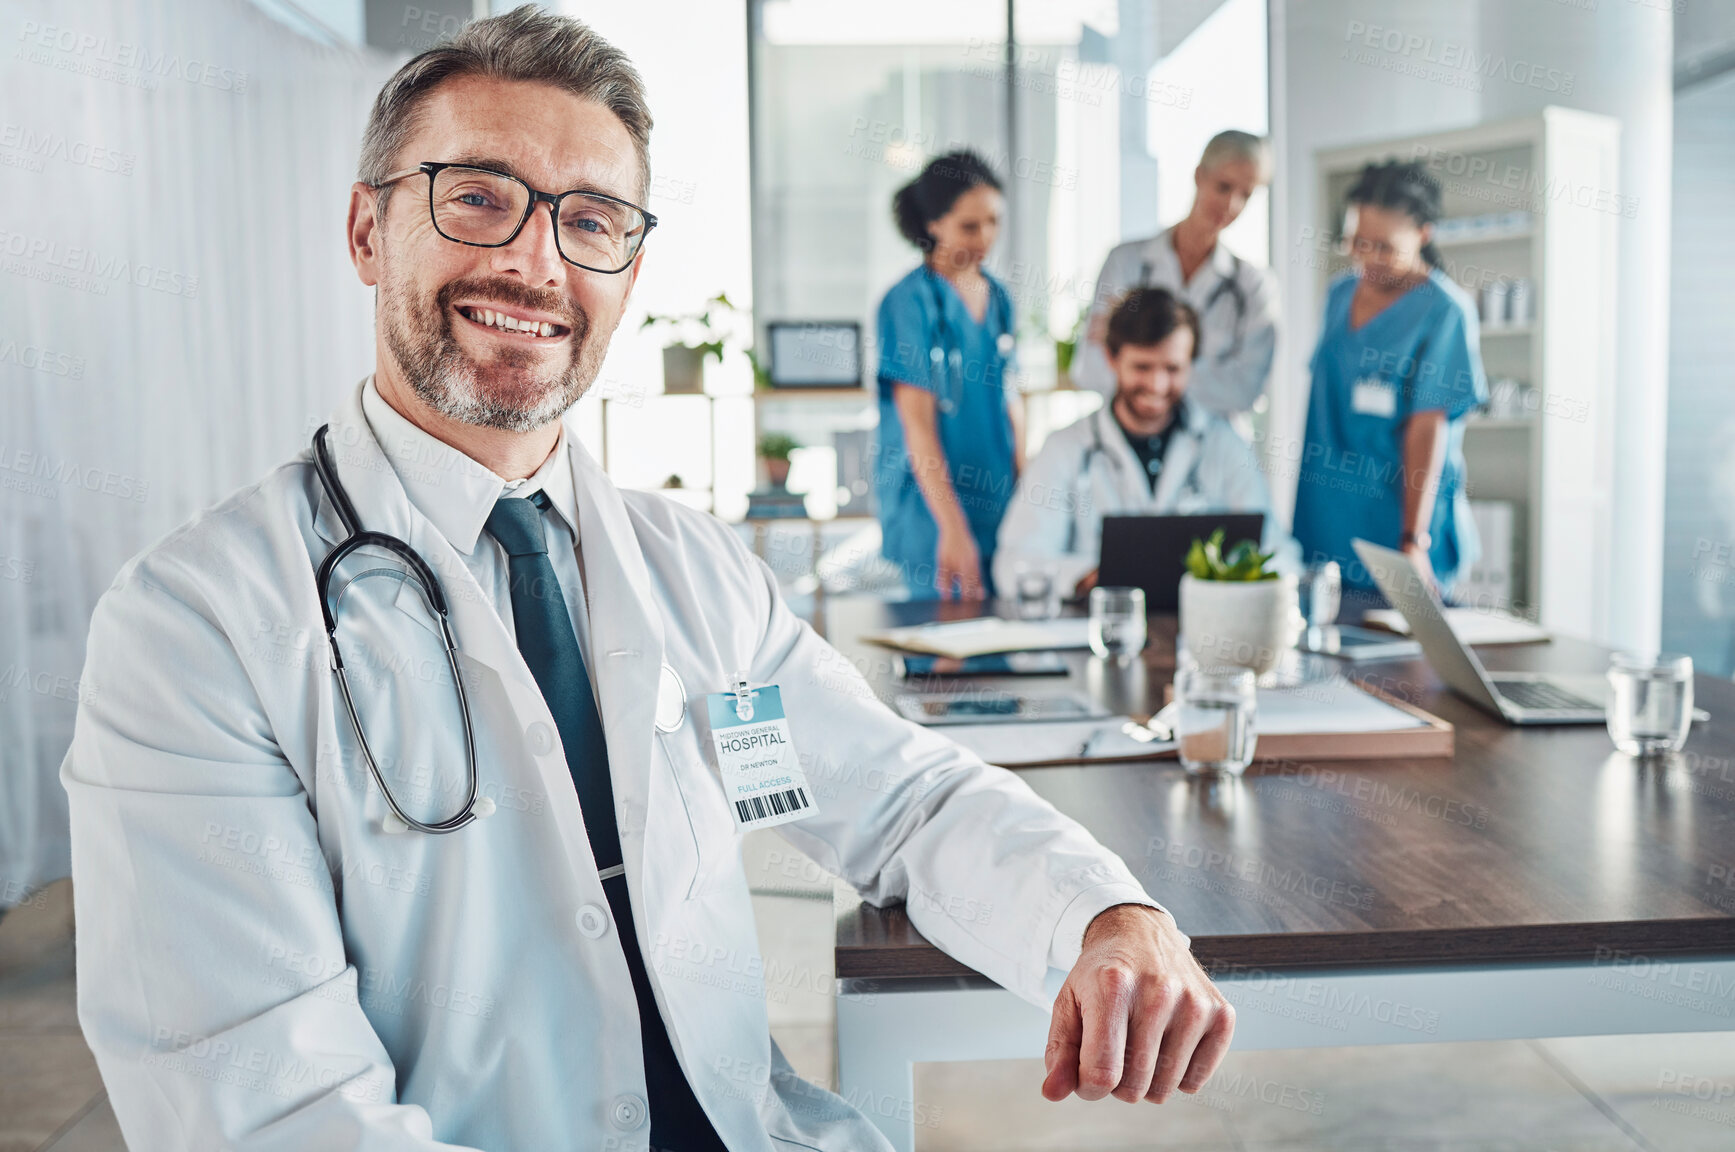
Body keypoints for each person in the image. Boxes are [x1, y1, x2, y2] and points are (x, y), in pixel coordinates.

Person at [59, 10, 1233, 1152]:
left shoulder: (692, 574)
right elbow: (264, 1099)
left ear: (629, 266)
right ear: (367, 230)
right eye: (477, 197)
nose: (535, 262)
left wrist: (1100, 912)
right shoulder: (196, 630)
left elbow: (896, 800)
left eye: (593, 219)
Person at [995, 288, 1274, 598]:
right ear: (1111, 358)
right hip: (1099, 632)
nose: (1157, 385)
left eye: (1172, 369)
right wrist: (1091, 576)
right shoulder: (1065, 448)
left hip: (1204, 633)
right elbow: (1014, 565)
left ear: (1191, 364)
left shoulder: (1224, 445)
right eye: (1143, 367)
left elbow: (1274, 548)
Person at [1292, 160, 1487, 595]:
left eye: (1384, 247)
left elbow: (1427, 429)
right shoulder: (1339, 294)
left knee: (1405, 658)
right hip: (1327, 515)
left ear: (1423, 235)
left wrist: (1412, 541)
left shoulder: (1444, 312)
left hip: (1398, 523)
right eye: (1357, 241)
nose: (1367, 258)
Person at [874, 150, 1022, 601]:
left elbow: (1012, 404)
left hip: (996, 499)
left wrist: (1027, 496)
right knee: (942, 649)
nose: (986, 238)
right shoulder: (907, 304)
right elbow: (916, 424)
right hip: (930, 511)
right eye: (970, 227)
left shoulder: (999, 299)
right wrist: (952, 530)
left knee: (1002, 650)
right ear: (934, 223)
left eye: (994, 222)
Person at [1076, 130, 1279, 423]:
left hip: (1211, 450)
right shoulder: (1126, 263)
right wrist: (1206, 377)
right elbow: (1090, 368)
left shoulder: (1254, 287)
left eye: (1245, 195)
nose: (1232, 205)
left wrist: (1142, 367)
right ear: (1199, 176)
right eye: (1223, 187)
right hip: (1131, 441)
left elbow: (1245, 391)